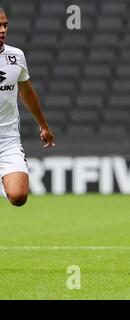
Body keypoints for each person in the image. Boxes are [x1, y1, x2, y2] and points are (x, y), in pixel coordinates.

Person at [0, 9, 55, 206]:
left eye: (5, 25)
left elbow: (27, 92)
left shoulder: (16, 56)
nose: (2, 30)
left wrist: (44, 125)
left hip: (7, 139)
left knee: (18, 195)